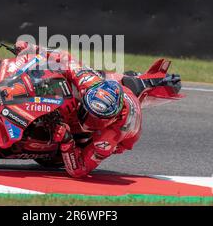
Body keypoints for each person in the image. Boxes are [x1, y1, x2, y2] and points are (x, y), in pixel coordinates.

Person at [14, 41, 143, 178]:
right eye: (89, 112)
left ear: (111, 119)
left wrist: (67, 142)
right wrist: (33, 48)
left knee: (64, 152)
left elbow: (79, 170)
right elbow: (65, 58)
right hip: (117, 90)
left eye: (98, 119)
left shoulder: (108, 138)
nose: (90, 120)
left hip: (123, 135)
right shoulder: (88, 82)